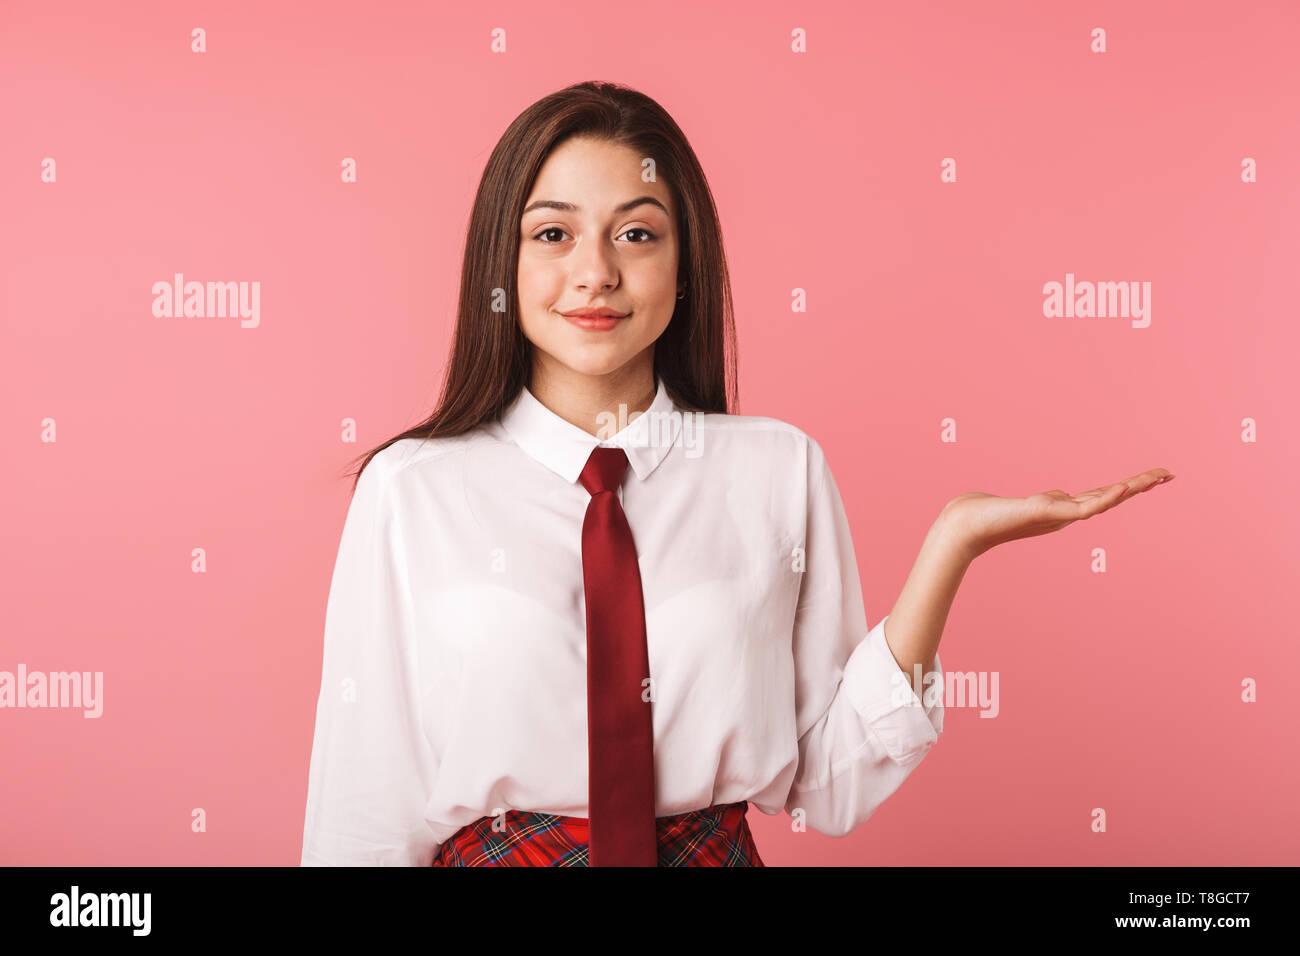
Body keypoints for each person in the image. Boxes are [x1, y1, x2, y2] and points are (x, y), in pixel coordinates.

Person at [299, 80, 1174, 867]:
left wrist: (953, 543)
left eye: (637, 233)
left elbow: (830, 782)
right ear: (503, 259)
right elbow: (364, 816)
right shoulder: (411, 490)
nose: (596, 272)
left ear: (687, 264)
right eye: (554, 233)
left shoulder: (776, 469)